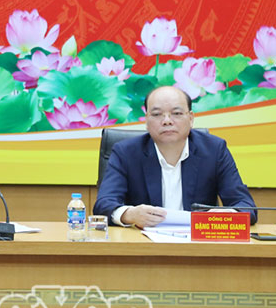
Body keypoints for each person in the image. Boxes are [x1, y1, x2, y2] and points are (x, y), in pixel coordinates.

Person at [94, 85, 256, 227]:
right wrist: (129, 214)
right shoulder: (126, 152)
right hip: (142, 243)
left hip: (198, 244)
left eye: (176, 113)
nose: (167, 121)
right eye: (157, 114)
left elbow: (246, 206)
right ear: (146, 120)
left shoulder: (214, 150)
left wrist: (226, 215)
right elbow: (104, 204)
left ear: (191, 119)